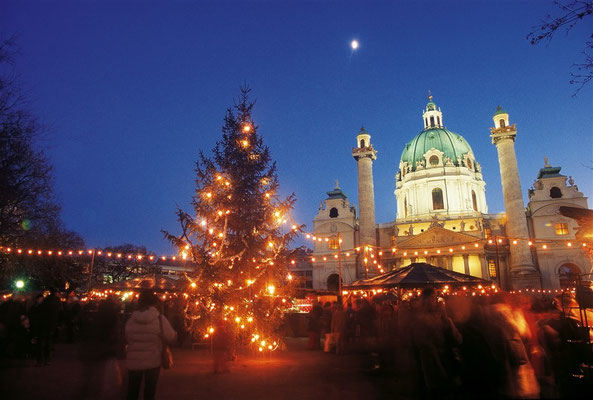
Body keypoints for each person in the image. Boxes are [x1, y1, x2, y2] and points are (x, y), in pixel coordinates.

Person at [125, 291, 176, 400]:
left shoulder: (131, 319)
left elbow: (127, 336)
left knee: (132, 391)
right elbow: (171, 336)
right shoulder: (159, 319)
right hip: (153, 359)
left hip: (134, 360)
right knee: (149, 391)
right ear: (154, 303)